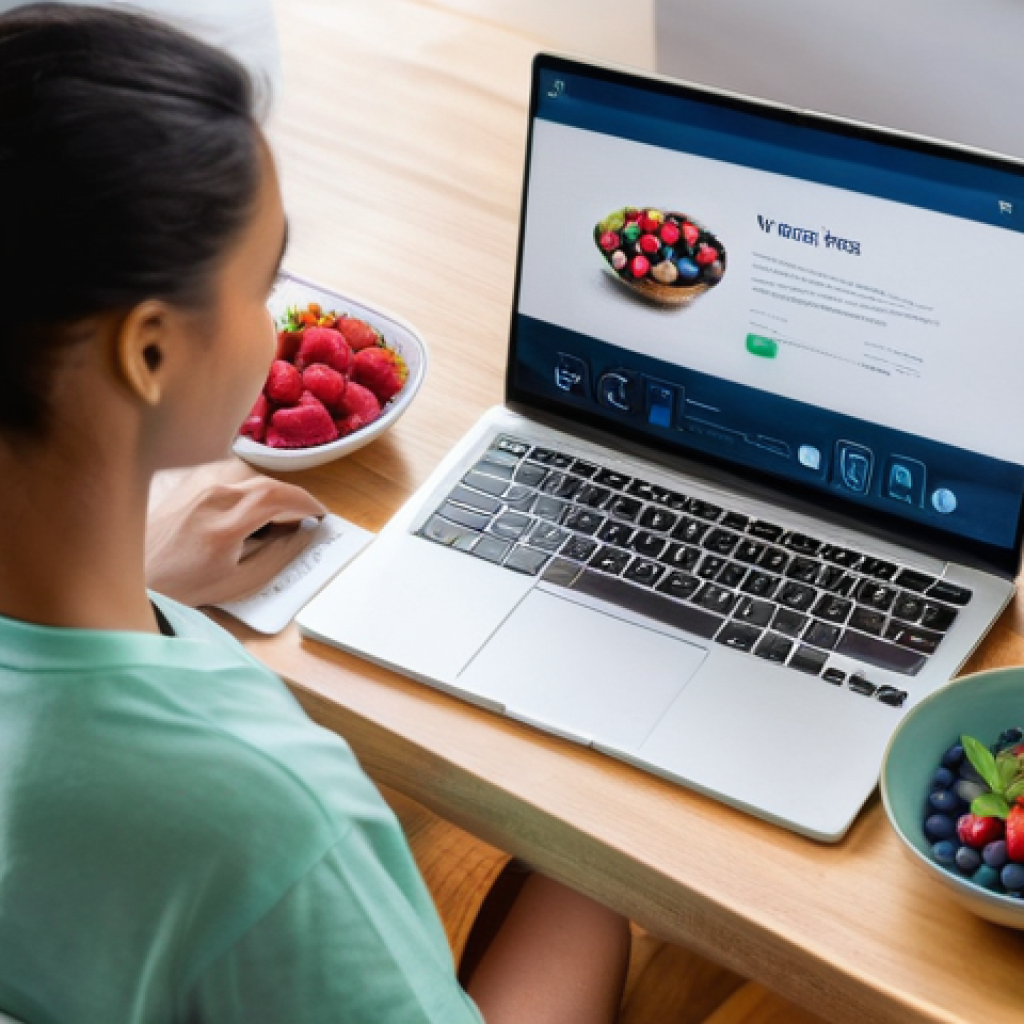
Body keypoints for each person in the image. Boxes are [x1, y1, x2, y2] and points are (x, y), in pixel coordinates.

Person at [0, 5, 630, 1023]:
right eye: (264, 280)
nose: (279, 311)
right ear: (150, 354)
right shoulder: (265, 817)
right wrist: (606, 842)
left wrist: (138, 580)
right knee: (602, 885)